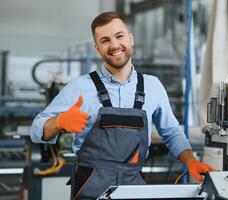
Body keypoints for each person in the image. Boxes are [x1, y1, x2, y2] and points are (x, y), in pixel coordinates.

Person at [30, 11, 214, 199]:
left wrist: (190, 161)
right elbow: (36, 130)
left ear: (131, 39)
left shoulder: (152, 86)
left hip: (133, 187)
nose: (114, 45)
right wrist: (59, 121)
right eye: (105, 40)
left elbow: (172, 133)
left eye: (119, 36)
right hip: (90, 187)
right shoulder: (79, 87)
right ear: (97, 48)